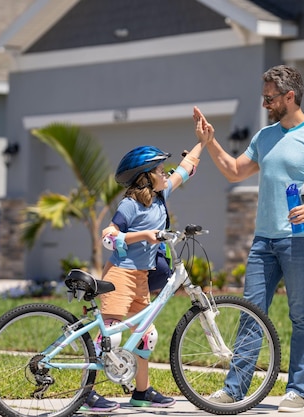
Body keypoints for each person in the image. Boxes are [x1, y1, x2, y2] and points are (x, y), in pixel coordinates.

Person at [194, 64, 304, 413]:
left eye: (270, 98)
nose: (265, 103)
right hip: (263, 242)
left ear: (290, 96)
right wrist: (210, 143)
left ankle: (296, 390)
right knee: (250, 312)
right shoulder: (265, 136)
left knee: (301, 315)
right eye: (264, 97)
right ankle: (235, 389)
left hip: (301, 240)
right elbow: (235, 171)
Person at [79, 116, 211, 413]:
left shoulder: (161, 197)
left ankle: (141, 391)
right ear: (145, 177)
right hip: (120, 275)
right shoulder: (130, 205)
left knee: (146, 335)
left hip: (141, 278)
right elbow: (109, 236)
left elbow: (185, 169)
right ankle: (86, 394)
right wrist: (143, 236)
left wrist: (202, 143)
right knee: (110, 334)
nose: (166, 174)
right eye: (160, 171)